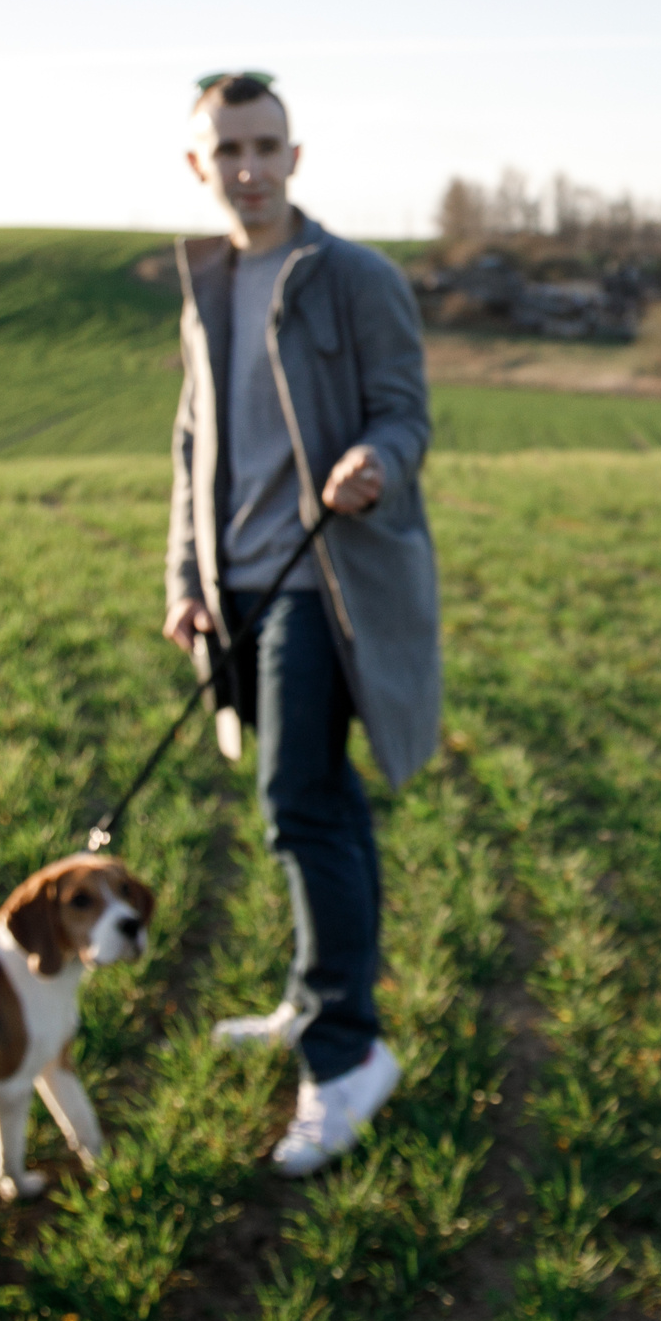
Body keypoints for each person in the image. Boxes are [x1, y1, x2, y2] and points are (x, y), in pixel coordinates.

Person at [166, 71, 440, 1176]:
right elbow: (191, 442)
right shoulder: (210, 282)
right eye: (227, 148)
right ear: (199, 165)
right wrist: (183, 573)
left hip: (322, 579)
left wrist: (378, 459)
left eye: (266, 145)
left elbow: (405, 411)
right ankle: (318, 998)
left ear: (295, 155)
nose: (249, 166)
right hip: (231, 578)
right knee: (319, 799)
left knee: (295, 803)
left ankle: (342, 1055)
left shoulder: (353, 278)